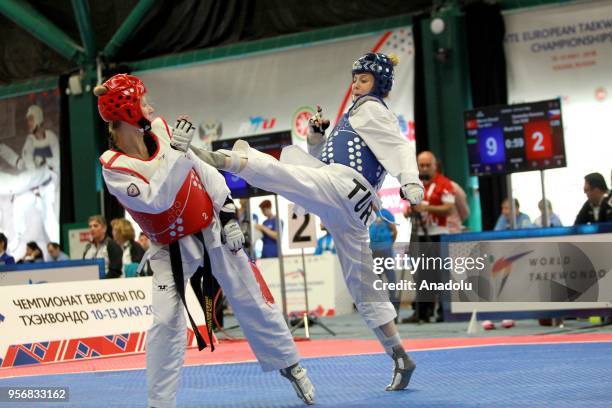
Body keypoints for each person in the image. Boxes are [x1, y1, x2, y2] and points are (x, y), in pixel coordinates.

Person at [192, 52, 424, 391]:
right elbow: (323, 161)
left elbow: (400, 148)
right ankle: (400, 355)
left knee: (287, 176)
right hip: (350, 206)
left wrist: (411, 181)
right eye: (355, 78)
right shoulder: (356, 114)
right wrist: (317, 137)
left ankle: (232, 159)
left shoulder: (372, 109)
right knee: (363, 285)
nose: (356, 84)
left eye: (363, 79)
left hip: (345, 188)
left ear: (380, 84)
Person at [94, 74, 313, 407]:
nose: (150, 107)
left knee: (251, 296)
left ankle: (291, 364)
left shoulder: (164, 132)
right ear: (125, 112)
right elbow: (156, 201)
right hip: (170, 251)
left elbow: (205, 173)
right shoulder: (115, 169)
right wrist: (177, 156)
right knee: (166, 321)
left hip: (211, 229)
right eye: (142, 102)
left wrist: (228, 216)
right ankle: (160, 403)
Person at [403, 151, 454, 323]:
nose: (424, 168)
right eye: (421, 165)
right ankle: (422, 312)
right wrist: (410, 211)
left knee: (440, 275)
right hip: (418, 233)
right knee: (420, 274)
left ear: (435, 165)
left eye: (427, 165)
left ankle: (443, 312)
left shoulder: (444, 183)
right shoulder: (415, 184)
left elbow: (448, 208)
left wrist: (425, 208)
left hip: (438, 234)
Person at [0, 105, 61, 244]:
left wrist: (47, 169)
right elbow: (27, 163)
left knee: (48, 216)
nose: (29, 123)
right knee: (18, 205)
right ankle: (17, 236)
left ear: (38, 119)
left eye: (31, 119)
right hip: (33, 184)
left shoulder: (51, 137)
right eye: (28, 120)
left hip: (47, 184)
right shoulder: (30, 140)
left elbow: (56, 163)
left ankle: (56, 245)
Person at [369, 207, 399, 313]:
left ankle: (393, 300)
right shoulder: (367, 214)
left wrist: (389, 244)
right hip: (373, 249)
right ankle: (379, 303)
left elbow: (394, 230)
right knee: (377, 277)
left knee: (390, 275)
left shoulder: (385, 213)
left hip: (386, 249)